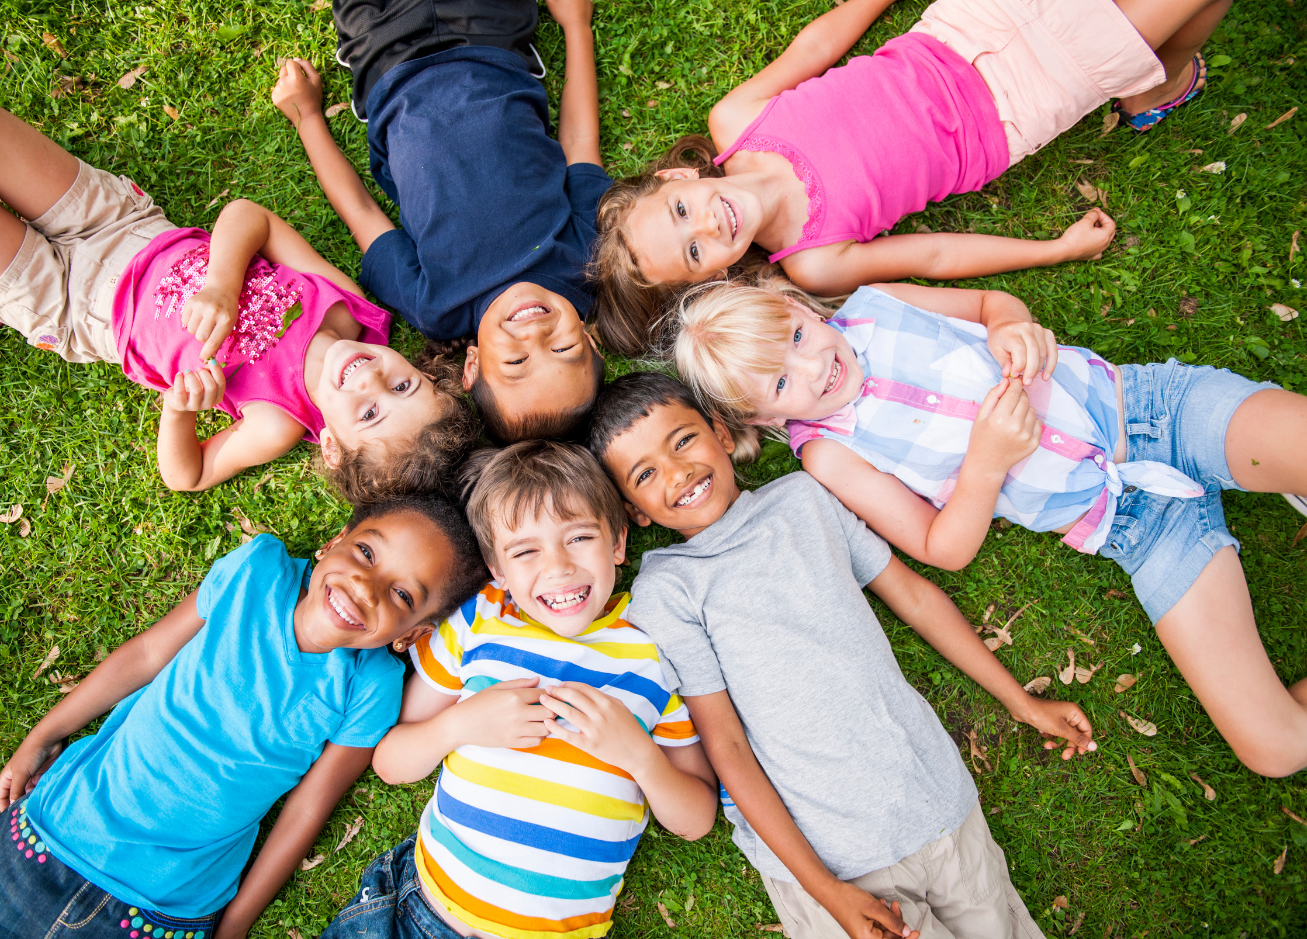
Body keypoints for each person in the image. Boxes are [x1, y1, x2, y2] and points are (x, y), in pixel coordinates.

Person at [668, 274, 1307, 778]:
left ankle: (1276, 468)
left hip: (1149, 412)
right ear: (762, 419)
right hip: (1136, 525)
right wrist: (986, 463)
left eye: (797, 339)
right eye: (781, 382)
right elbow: (940, 548)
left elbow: (987, 302)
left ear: (798, 307)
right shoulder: (830, 453)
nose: (812, 370)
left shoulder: (875, 304)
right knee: (1276, 748)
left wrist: (1011, 325)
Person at [588, 372, 1096, 939]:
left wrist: (1020, 700)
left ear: (722, 433)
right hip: (834, 866)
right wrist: (823, 889)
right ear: (634, 511)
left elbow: (916, 599)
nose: (677, 472)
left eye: (682, 440)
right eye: (645, 474)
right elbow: (726, 748)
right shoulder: (670, 589)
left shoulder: (805, 500)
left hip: (939, 809)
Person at [0, 493, 491, 939]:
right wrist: (44, 734)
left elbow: (307, 809)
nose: (365, 586)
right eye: (366, 552)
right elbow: (145, 654)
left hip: (162, 906)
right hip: (55, 833)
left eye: (402, 595)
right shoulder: (257, 572)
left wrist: (236, 923)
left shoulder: (372, 686)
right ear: (336, 540)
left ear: (411, 635)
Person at [0, 83, 478, 495]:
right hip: (119, 224)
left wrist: (177, 411)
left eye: (372, 412)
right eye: (404, 384)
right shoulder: (347, 308)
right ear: (422, 367)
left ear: (332, 446)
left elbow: (188, 475)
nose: (373, 378)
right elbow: (254, 217)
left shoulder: (276, 423)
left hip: (71, 306)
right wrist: (224, 283)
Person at [587, 0, 1231, 355]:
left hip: (962, 27)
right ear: (717, 278)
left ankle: (1160, 85)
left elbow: (813, 51)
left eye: (680, 212)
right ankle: (1158, 85)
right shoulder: (812, 261)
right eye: (694, 251)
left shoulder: (736, 121)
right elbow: (936, 253)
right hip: (1016, 106)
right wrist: (1053, 249)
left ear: (677, 175)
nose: (706, 224)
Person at [322, 440, 717, 938]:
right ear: (499, 572)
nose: (557, 567)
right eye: (525, 551)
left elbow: (697, 818)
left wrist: (640, 756)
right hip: (422, 912)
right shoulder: (481, 621)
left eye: (578, 538)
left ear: (617, 542)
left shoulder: (654, 653)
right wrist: (461, 724)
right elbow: (390, 762)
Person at [273, 0, 611, 442]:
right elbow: (580, 143)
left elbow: (360, 212)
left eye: (516, 362)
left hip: (386, 61)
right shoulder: (586, 258)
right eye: (563, 348)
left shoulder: (436, 307)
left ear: (473, 364)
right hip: (489, 35)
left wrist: (308, 118)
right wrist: (575, 26)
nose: (536, 335)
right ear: (590, 340)